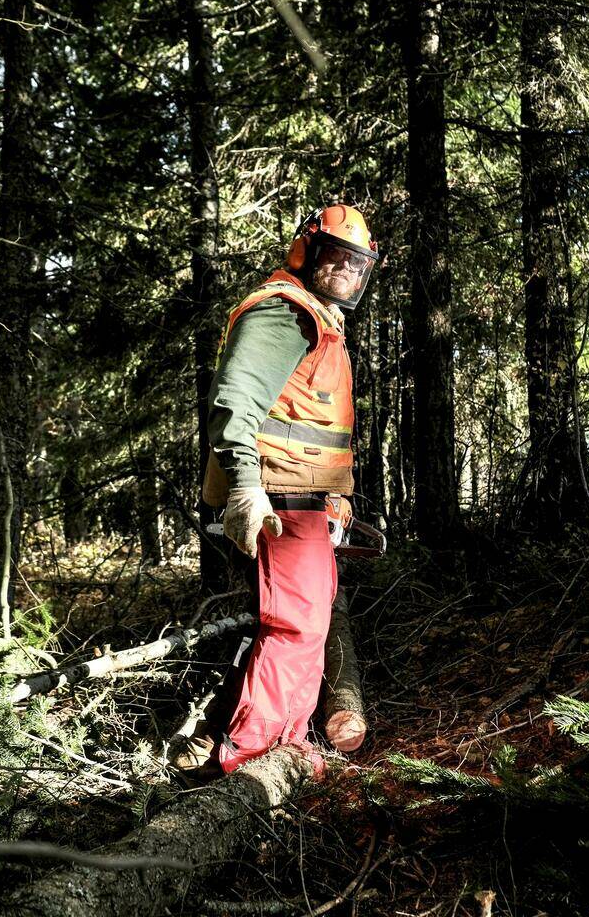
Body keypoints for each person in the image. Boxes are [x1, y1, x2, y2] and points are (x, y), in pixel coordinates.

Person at [191, 204, 380, 776]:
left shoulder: (321, 322)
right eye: (336, 257)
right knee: (295, 628)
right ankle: (249, 759)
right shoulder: (283, 312)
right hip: (278, 501)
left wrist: (336, 504)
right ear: (306, 254)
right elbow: (235, 404)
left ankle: (289, 745)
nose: (346, 269)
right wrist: (246, 489)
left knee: (310, 625)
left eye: (358, 262)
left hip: (306, 503)